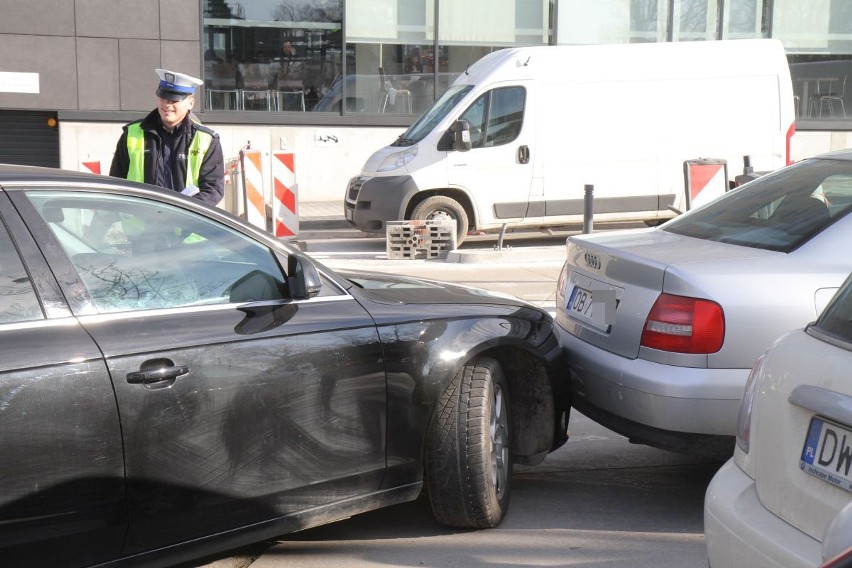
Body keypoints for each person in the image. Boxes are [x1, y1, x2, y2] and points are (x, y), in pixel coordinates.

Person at [110, 69, 224, 206]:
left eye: (174, 99)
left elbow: (213, 190)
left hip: (186, 224)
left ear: (190, 103)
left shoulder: (207, 140)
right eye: (163, 97)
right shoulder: (132, 133)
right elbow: (115, 183)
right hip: (141, 224)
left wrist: (180, 211)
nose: (167, 105)